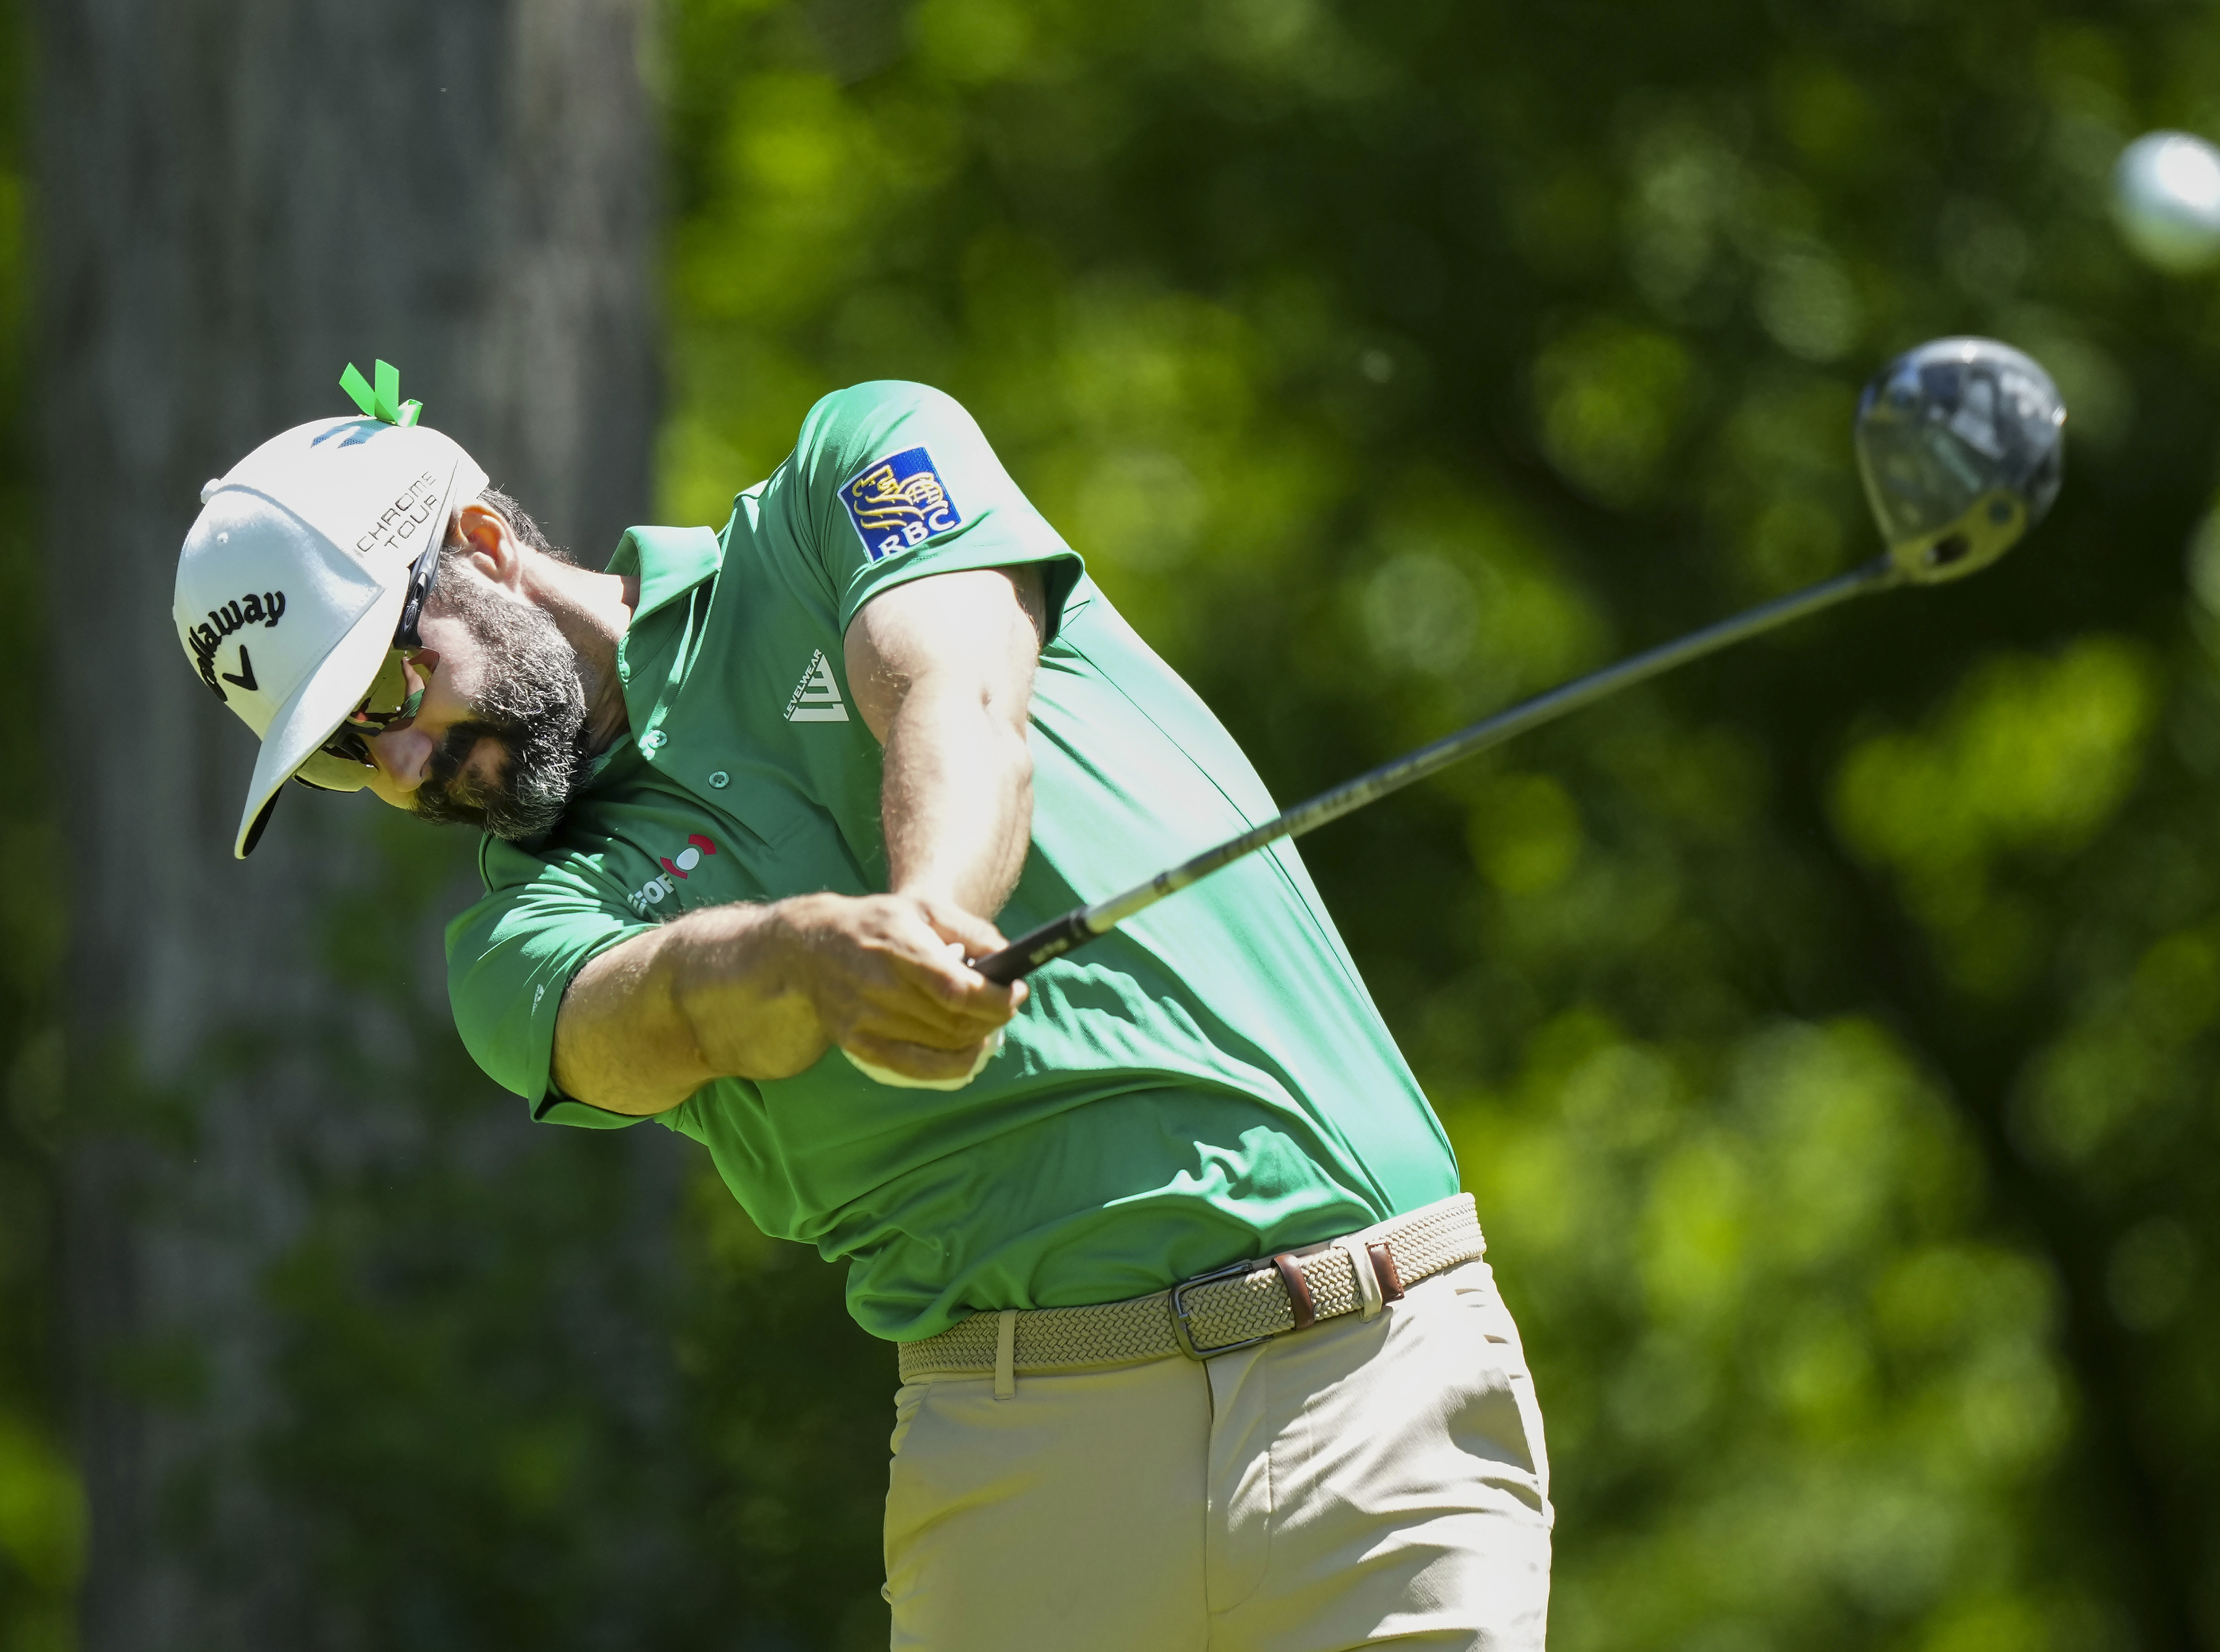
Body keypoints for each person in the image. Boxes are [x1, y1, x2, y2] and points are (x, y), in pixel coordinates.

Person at [174, 364, 1553, 1650]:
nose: (410, 762)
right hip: (1024, 1468)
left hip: (1378, 1373)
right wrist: (811, 956)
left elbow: (952, 692)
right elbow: (666, 1013)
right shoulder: (513, 939)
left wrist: (930, 909)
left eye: (389, 686)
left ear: (478, 539)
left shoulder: (856, 468)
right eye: (347, 758)